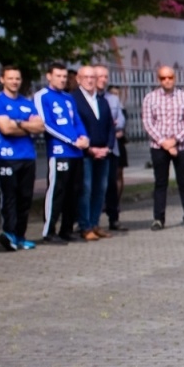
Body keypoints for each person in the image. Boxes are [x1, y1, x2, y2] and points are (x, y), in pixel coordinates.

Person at [0, 65, 45, 251]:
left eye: (17, 79)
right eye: (10, 78)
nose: (14, 82)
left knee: (25, 197)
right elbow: (6, 129)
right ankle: (9, 233)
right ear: (2, 80)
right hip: (6, 157)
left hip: (27, 156)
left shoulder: (27, 102)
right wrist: (26, 125)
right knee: (9, 197)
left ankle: (21, 235)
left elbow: (40, 127)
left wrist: (18, 123)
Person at [35, 62, 89, 244]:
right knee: (57, 191)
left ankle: (67, 230)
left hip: (77, 153)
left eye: (65, 76)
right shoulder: (43, 96)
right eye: (58, 76)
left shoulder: (68, 98)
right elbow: (47, 124)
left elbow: (77, 121)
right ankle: (49, 231)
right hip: (59, 152)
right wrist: (71, 140)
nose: (62, 79)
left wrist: (84, 137)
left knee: (74, 192)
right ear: (49, 76)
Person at [141, 66, 184, 230]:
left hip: (181, 146)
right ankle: (158, 218)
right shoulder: (150, 98)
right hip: (158, 146)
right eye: (163, 78)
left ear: (175, 78)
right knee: (161, 182)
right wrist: (163, 142)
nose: (167, 81)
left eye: (170, 77)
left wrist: (175, 141)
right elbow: (147, 123)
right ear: (158, 80)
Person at [72, 64, 117, 240]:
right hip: (85, 153)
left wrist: (108, 147)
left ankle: (95, 223)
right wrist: (90, 149)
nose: (90, 80)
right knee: (86, 189)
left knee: (101, 189)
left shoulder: (102, 100)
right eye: (86, 77)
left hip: (103, 152)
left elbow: (110, 127)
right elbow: (75, 127)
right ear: (79, 79)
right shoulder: (74, 100)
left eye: (93, 77)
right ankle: (85, 226)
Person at [101, 73, 129, 232]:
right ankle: (88, 222)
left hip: (113, 147)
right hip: (92, 149)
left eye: (105, 77)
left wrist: (113, 126)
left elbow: (121, 121)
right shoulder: (81, 99)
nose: (103, 79)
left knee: (112, 183)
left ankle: (114, 218)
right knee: (90, 186)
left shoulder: (113, 99)